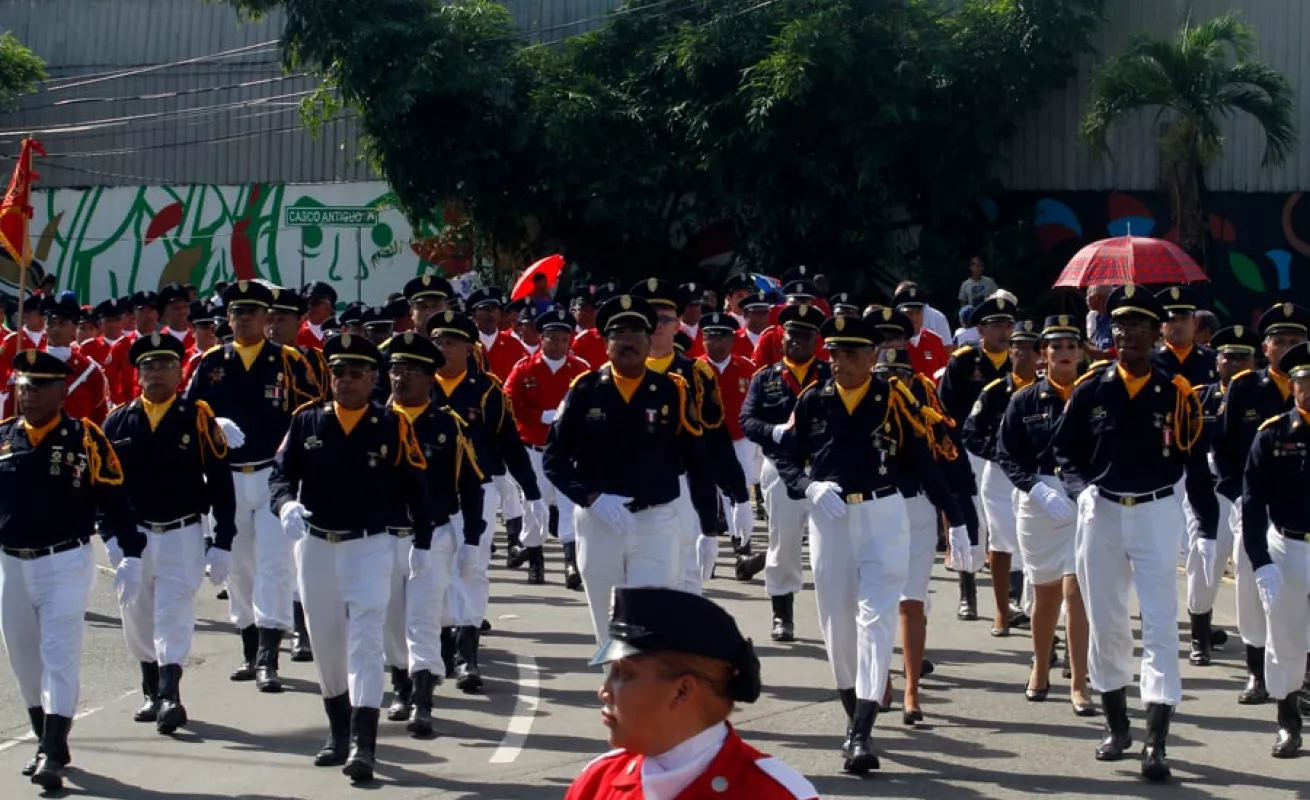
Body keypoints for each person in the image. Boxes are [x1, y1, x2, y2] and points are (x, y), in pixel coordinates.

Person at [774, 314, 970, 773]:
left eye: (850, 354)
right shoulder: (814, 400)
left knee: (875, 618)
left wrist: (956, 519)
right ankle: (853, 715)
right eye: (835, 354)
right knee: (836, 623)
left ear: (871, 357)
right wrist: (806, 486)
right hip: (830, 516)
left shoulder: (891, 400)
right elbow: (786, 456)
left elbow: (924, 461)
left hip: (883, 513)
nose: (840, 363)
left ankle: (862, 730)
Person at [1053, 284, 1217, 782]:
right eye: (1120, 326)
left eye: (1139, 326)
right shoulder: (1092, 388)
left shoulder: (1177, 391)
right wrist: (1078, 489)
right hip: (1100, 511)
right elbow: (1065, 452)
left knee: (1162, 624)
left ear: (1156, 333)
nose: (1128, 334)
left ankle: (1157, 740)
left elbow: (1194, 461)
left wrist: (1206, 526)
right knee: (1106, 623)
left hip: (1156, 511)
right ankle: (1118, 726)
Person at [270, 333, 432, 783]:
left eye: (356, 373)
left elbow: (417, 487)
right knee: (325, 642)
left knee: (365, 642)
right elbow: (280, 476)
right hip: (317, 546)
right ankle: (338, 731)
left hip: (370, 545)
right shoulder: (306, 422)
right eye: (338, 372)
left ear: (373, 379)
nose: (345, 380)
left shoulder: (391, 425)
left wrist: (422, 543)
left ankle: (364, 742)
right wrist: (284, 505)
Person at [0, 350, 143, 792]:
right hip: (11, 563)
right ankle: (48, 737)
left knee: (58, 656)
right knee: (24, 662)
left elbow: (116, 498)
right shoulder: (3, 438)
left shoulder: (85, 438)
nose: (29, 395)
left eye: (40, 387)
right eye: (24, 386)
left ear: (62, 392)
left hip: (64, 561)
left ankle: (51, 747)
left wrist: (130, 552)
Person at [543, 294, 720, 645]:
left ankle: (644, 698)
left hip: (655, 520)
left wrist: (709, 528)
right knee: (609, 625)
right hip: (600, 521)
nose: (628, 342)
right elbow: (554, 460)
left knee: (646, 619)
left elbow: (697, 460)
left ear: (649, 339)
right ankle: (618, 696)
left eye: (637, 333)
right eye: (619, 334)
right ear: (606, 344)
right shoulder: (585, 390)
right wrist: (591, 498)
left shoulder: (672, 391)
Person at [185, 280, 319, 693]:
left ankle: (268, 657)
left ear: (267, 318)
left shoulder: (290, 362)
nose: (244, 319)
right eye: (237, 312)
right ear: (228, 318)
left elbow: (313, 415)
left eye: (253, 312)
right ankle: (247, 647)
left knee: (275, 566)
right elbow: (186, 413)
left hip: (273, 477)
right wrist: (211, 424)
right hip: (227, 478)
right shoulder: (210, 363)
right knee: (239, 568)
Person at [102, 332, 237, 734]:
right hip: (134, 537)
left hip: (181, 531)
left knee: (173, 615)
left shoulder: (197, 417)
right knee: (137, 616)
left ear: (180, 371)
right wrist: (110, 535)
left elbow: (220, 481)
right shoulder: (118, 420)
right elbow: (103, 487)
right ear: (138, 374)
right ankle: (150, 688)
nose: (156, 373)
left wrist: (223, 540)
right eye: (149, 367)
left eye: (165, 366)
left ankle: (170, 694)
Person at [568, 586, 817, 800]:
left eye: (624, 674)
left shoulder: (776, 794)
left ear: (682, 690)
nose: (604, 691)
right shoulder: (597, 781)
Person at [428, 310, 544, 691]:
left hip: (476, 490)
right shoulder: (419, 383)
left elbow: (509, 443)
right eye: (439, 341)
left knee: (471, 569)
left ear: (469, 348)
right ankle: (441, 648)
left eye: (452, 342)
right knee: (433, 573)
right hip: (426, 492)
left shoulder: (488, 389)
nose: (444, 348)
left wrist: (532, 492)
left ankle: (467, 655)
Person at [380, 332, 485, 736]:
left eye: (411, 371)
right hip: (382, 537)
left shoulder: (447, 425)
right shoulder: (377, 421)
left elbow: (471, 486)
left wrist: (472, 541)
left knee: (421, 619)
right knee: (390, 622)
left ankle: (423, 700)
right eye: (395, 370)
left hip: (433, 538)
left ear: (429, 379)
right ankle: (401, 687)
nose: (401, 379)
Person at [995, 315, 1094, 716]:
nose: (1065, 353)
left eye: (1071, 346)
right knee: (1045, 591)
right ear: (1043, 354)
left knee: (1078, 590)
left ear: (1081, 352)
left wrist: (1092, 488)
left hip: (1084, 499)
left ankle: (1080, 679)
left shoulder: (1093, 394)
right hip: (1039, 498)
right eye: (1056, 347)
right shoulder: (1024, 400)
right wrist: (1034, 488)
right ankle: (1040, 665)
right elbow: (1007, 454)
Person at [1215, 302, 1309, 704]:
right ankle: (1255, 671)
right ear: (1266, 347)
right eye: (1280, 342)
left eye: (1296, 341)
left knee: (1294, 606)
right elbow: (1222, 448)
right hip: (1250, 503)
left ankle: (1299, 679)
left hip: (1295, 509)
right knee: (1253, 593)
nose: (1287, 348)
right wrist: (1236, 496)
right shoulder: (1244, 386)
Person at [631, 278, 749, 595]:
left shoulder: (695, 373)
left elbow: (715, 440)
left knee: (685, 575)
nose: (657, 326)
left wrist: (739, 496)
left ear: (678, 325)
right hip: (627, 488)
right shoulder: (616, 370)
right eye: (650, 319)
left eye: (665, 319)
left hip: (680, 487)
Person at [739, 303, 830, 641]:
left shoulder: (829, 374)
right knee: (783, 543)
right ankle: (782, 615)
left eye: (804, 336)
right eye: (791, 334)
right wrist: (773, 431)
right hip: (781, 468)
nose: (796, 341)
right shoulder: (766, 378)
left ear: (815, 340)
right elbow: (747, 420)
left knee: (832, 545)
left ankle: (835, 615)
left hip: (823, 471)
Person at [1240, 340, 1310, 759]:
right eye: (1304, 381)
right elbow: (1252, 501)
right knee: (1284, 640)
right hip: (1287, 545)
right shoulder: (1273, 434)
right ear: (1293, 386)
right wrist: (1260, 560)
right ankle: (1288, 722)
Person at [938, 295, 1015, 620]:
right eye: (996, 325)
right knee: (970, 522)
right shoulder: (963, 361)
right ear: (981, 329)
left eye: (1008, 325)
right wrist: (952, 455)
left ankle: (1011, 594)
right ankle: (967, 590)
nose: (1003, 332)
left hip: (1008, 456)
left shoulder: (1020, 361)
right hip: (969, 452)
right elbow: (946, 411)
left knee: (1007, 524)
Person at [1187, 324, 1258, 667]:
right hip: (1209, 491)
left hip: (1249, 492)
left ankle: (1256, 646)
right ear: (1217, 363)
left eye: (1242, 357)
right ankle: (1200, 633)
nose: (1235, 363)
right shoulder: (1199, 397)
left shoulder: (1265, 397)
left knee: (1249, 570)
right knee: (1206, 563)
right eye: (1228, 357)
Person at [503, 309, 591, 588]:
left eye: (562, 339)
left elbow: (592, 405)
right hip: (533, 448)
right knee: (534, 505)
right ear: (541, 339)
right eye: (551, 338)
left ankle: (570, 562)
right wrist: (537, 415)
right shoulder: (525, 368)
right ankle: (535, 561)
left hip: (567, 451)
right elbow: (508, 402)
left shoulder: (580, 370)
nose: (556, 344)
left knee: (569, 506)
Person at [963, 320, 1040, 637]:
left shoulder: (1047, 391)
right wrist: (997, 453)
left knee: (1035, 542)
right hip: (999, 477)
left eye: (1027, 348)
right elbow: (970, 432)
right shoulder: (994, 392)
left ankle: (1032, 607)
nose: (1020, 352)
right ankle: (1001, 610)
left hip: (1035, 476)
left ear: (1039, 355)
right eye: (1016, 346)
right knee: (1001, 541)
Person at [699, 311, 765, 579]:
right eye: (709, 337)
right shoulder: (694, 368)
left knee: (739, 493)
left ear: (731, 340)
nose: (714, 343)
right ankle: (707, 558)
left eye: (721, 337)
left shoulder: (747, 368)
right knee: (706, 495)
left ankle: (743, 549)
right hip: (703, 441)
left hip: (739, 439)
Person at [1, 294, 109, 424]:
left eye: (62, 323)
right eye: (51, 323)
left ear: (74, 327)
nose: (55, 328)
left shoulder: (90, 372)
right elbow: (10, 416)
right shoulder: (29, 366)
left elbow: (99, 419)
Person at [1151, 286, 1218, 387]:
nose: (1179, 325)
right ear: (1161, 326)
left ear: (1194, 323)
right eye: (1172, 320)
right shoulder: (1150, 361)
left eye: (1184, 319)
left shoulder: (1212, 359)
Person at [296, 281, 339, 350]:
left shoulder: (343, 331)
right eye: (306, 303)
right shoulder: (297, 333)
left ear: (331, 306)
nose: (310, 307)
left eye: (315, 302)